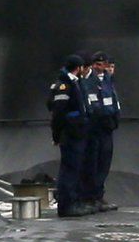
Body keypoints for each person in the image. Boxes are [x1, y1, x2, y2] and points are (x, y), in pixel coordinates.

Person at [47, 53, 93, 217]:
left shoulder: (76, 83)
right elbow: (58, 113)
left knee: (75, 169)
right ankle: (66, 206)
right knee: (69, 170)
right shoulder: (65, 86)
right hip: (70, 134)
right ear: (78, 68)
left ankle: (74, 202)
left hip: (78, 134)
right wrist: (56, 135)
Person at [81, 52, 121, 210]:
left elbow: (113, 101)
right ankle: (90, 196)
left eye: (102, 65)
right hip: (94, 127)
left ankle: (98, 195)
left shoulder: (109, 80)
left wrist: (114, 120)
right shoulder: (87, 81)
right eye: (97, 65)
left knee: (104, 161)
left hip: (107, 126)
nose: (100, 68)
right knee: (92, 162)